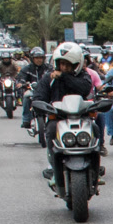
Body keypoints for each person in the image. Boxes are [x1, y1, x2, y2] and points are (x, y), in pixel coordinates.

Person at [33, 42, 95, 179]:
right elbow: (39, 95)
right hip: (59, 117)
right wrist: (41, 106)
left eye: (68, 64)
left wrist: (64, 77)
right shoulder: (49, 78)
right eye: (61, 64)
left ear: (76, 65)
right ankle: (53, 165)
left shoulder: (83, 76)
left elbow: (84, 88)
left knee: (95, 127)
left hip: (81, 116)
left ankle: (94, 163)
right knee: (50, 130)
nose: (64, 67)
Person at [16, 47, 49, 128]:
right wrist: (21, 83)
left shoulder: (48, 68)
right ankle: (26, 119)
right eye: (36, 58)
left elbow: (53, 76)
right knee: (27, 96)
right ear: (32, 58)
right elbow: (21, 77)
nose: (39, 60)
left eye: (41, 58)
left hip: (46, 92)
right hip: (32, 91)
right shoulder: (27, 69)